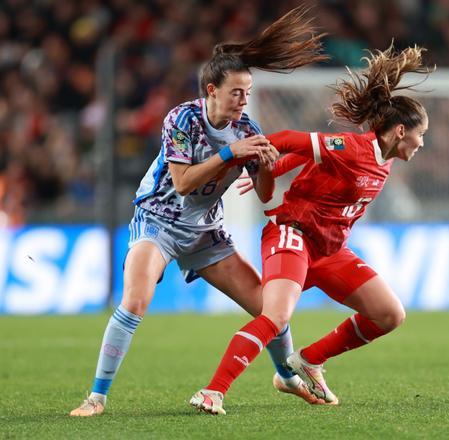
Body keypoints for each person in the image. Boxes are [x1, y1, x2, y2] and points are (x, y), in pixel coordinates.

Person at [70, 6, 328, 417]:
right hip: (158, 222)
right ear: (212, 90)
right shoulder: (182, 119)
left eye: (247, 92)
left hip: (206, 232)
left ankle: (287, 374)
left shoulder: (249, 130)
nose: (244, 101)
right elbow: (184, 183)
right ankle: (96, 397)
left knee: (270, 308)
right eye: (236, 92)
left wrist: (264, 166)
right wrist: (231, 153)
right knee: (136, 301)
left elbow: (262, 196)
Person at [190, 44, 432, 415]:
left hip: (329, 251)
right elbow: (290, 137)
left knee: (389, 314)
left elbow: (306, 156)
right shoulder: (353, 148)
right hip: (292, 234)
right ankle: (212, 391)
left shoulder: (383, 161)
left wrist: (280, 165)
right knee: (275, 317)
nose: (422, 143)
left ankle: (309, 361)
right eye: (421, 134)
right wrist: (261, 161)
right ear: (401, 130)